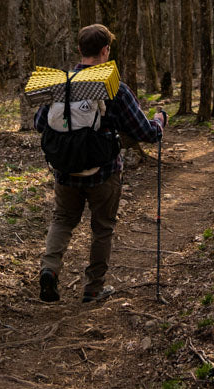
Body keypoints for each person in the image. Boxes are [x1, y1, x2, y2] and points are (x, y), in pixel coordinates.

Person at [36, 23, 165, 303]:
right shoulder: (113, 86)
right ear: (105, 50)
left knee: (62, 220)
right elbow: (145, 132)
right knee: (102, 228)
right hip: (104, 172)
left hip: (65, 172)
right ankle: (93, 288)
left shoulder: (59, 84)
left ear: (80, 50)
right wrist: (159, 122)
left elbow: (39, 124)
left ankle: (50, 269)